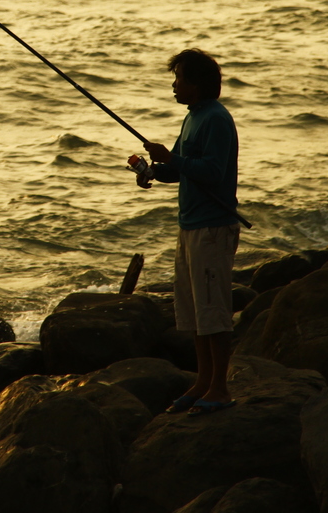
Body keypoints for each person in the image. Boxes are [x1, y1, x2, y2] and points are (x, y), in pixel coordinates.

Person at [131, 48, 240, 416]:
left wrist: (171, 158)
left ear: (195, 83)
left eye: (178, 78)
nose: (173, 85)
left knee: (213, 310)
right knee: (195, 311)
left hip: (212, 227)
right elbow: (179, 170)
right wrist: (153, 171)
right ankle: (203, 380)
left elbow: (211, 170)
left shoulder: (216, 120)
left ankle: (221, 388)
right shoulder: (193, 117)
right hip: (190, 225)